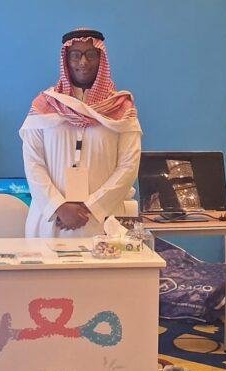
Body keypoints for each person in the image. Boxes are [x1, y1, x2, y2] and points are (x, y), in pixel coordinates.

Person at [19, 28, 142, 238]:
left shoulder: (121, 108)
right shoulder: (44, 105)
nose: (83, 62)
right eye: (75, 55)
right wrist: (58, 207)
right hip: (51, 223)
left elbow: (128, 166)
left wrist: (91, 207)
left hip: (104, 224)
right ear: (66, 60)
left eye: (90, 55)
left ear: (101, 59)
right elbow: (33, 163)